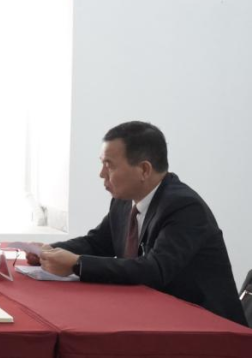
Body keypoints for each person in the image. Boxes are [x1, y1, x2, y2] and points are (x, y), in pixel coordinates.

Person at [31, 121, 246, 326]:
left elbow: (154, 270)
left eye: (109, 165)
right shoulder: (124, 201)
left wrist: (77, 264)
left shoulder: (185, 207)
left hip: (209, 329)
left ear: (144, 170)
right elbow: (97, 243)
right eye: (102, 164)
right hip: (156, 316)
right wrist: (48, 251)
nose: (101, 174)